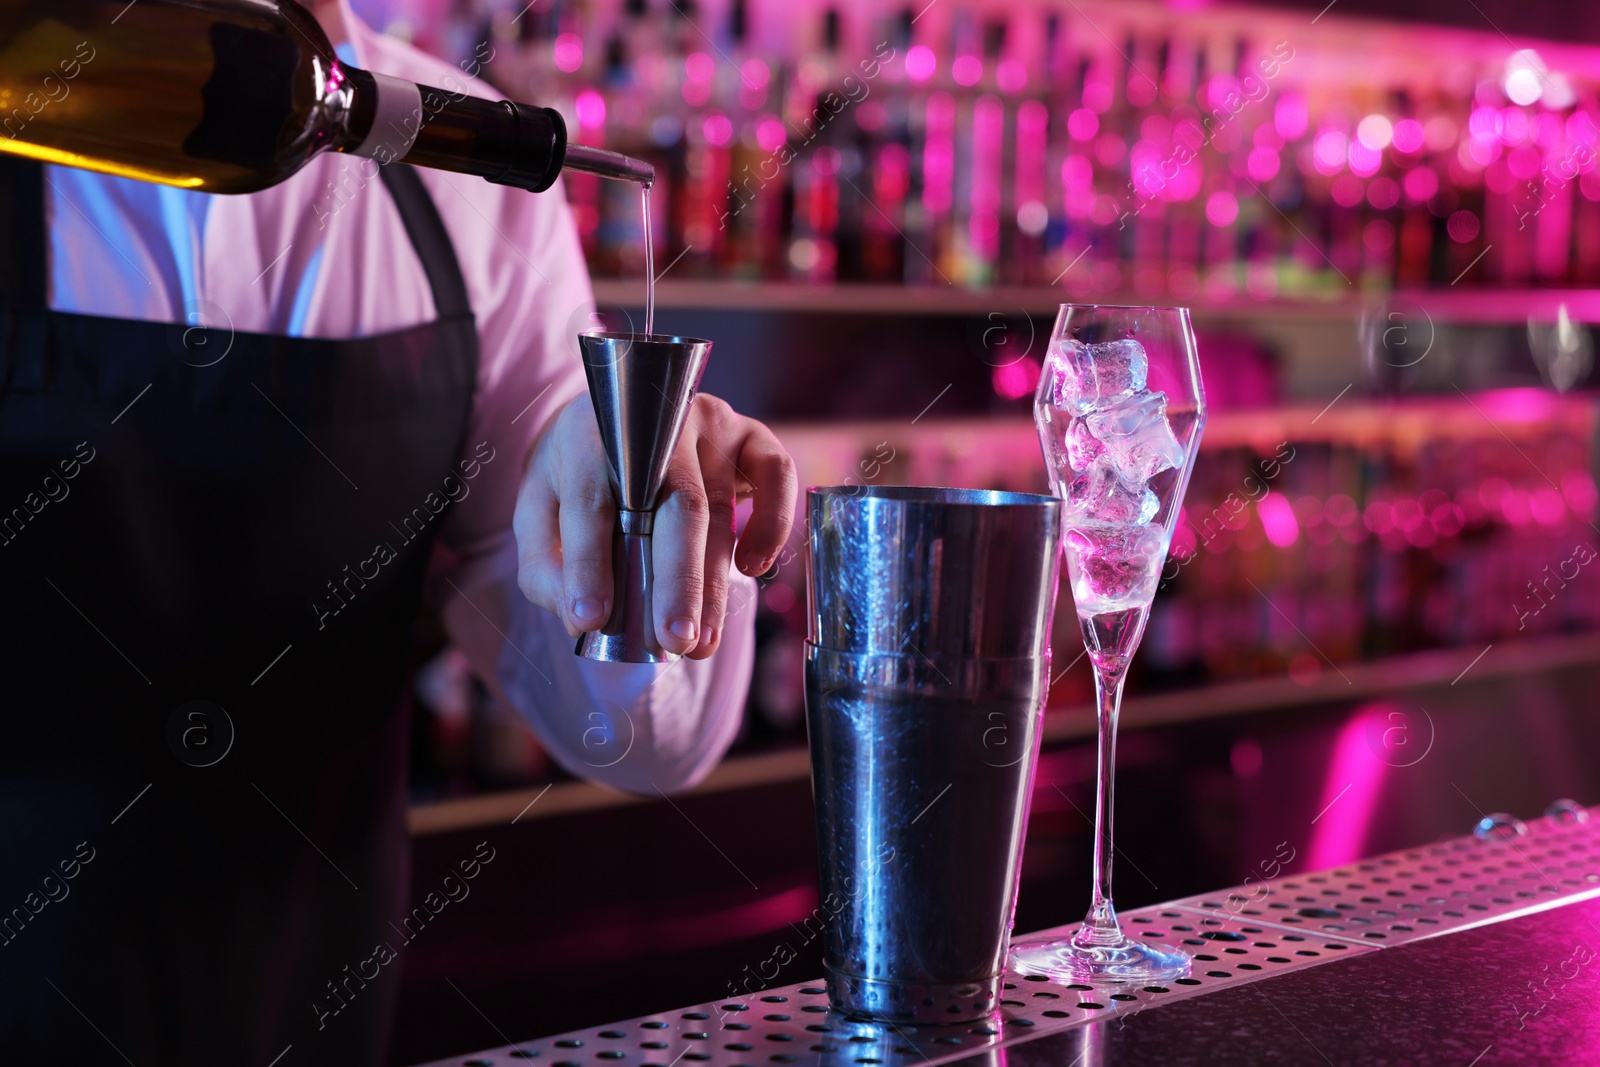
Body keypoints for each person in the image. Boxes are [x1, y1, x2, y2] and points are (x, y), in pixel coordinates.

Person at [0, 0, 796, 1061]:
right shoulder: (25, 71)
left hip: (306, 1011)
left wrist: (642, 495)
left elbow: (636, 741)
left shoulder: (473, 167)